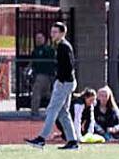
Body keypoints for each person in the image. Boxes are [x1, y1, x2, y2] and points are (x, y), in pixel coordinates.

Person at [25, 21, 79, 150]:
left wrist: (60, 80)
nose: (52, 34)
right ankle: (72, 141)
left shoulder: (63, 46)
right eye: (52, 31)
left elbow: (69, 67)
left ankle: (42, 139)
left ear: (62, 33)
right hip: (67, 82)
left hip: (64, 82)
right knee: (63, 113)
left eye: (55, 32)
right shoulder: (62, 46)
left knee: (52, 110)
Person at [29, 32, 55, 118]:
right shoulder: (35, 51)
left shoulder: (49, 49)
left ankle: (53, 111)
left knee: (46, 94)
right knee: (40, 93)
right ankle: (35, 112)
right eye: (37, 38)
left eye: (40, 38)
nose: (38, 40)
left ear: (44, 39)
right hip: (39, 75)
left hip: (47, 75)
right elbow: (32, 63)